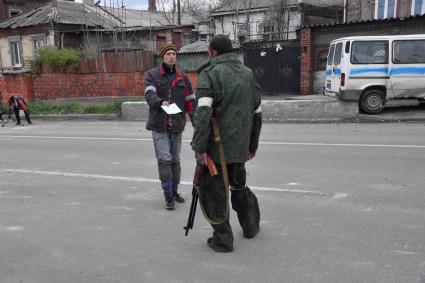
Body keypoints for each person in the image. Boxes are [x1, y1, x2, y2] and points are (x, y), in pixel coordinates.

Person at [191, 34, 262, 252]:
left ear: (212, 52)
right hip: (240, 147)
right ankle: (251, 226)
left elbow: (202, 115)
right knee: (238, 186)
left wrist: (199, 148)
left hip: (216, 149)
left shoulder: (209, 74)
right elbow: (257, 112)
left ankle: (223, 239)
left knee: (215, 192)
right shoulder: (248, 74)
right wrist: (252, 144)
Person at [144, 43, 196, 210]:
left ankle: (174, 192)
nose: (172, 56)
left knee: (175, 161)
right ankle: (168, 197)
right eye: (168, 54)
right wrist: (160, 102)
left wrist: (197, 124)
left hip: (177, 125)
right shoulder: (152, 75)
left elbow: (190, 102)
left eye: (174, 54)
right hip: (159, 125)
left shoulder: (183, 77)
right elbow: (149, 95)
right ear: (163, 57)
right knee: (164, 160)